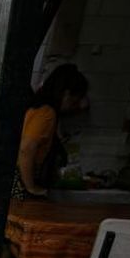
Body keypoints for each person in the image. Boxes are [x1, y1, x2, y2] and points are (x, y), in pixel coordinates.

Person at [14, 63, 89, 198]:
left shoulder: (39, 107)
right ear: (66, 94)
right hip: (21, 181)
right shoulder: (46, 113)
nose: (74, 106)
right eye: (74, 101)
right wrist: (31, 188)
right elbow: (26, 149)